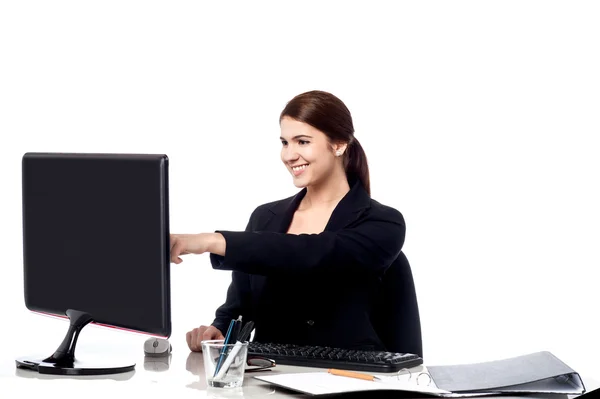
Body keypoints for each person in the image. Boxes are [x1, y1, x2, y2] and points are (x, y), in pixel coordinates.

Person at [171, 90, 406, 353]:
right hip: (269, 378)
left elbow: (314, 254)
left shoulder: (383, 222)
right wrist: (219, 330)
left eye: (302, 142)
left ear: (339, 144)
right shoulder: (264, 217)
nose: (289, 155)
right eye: (285, 142)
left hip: (347, 379)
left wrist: (212, 241)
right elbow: (240, 308)